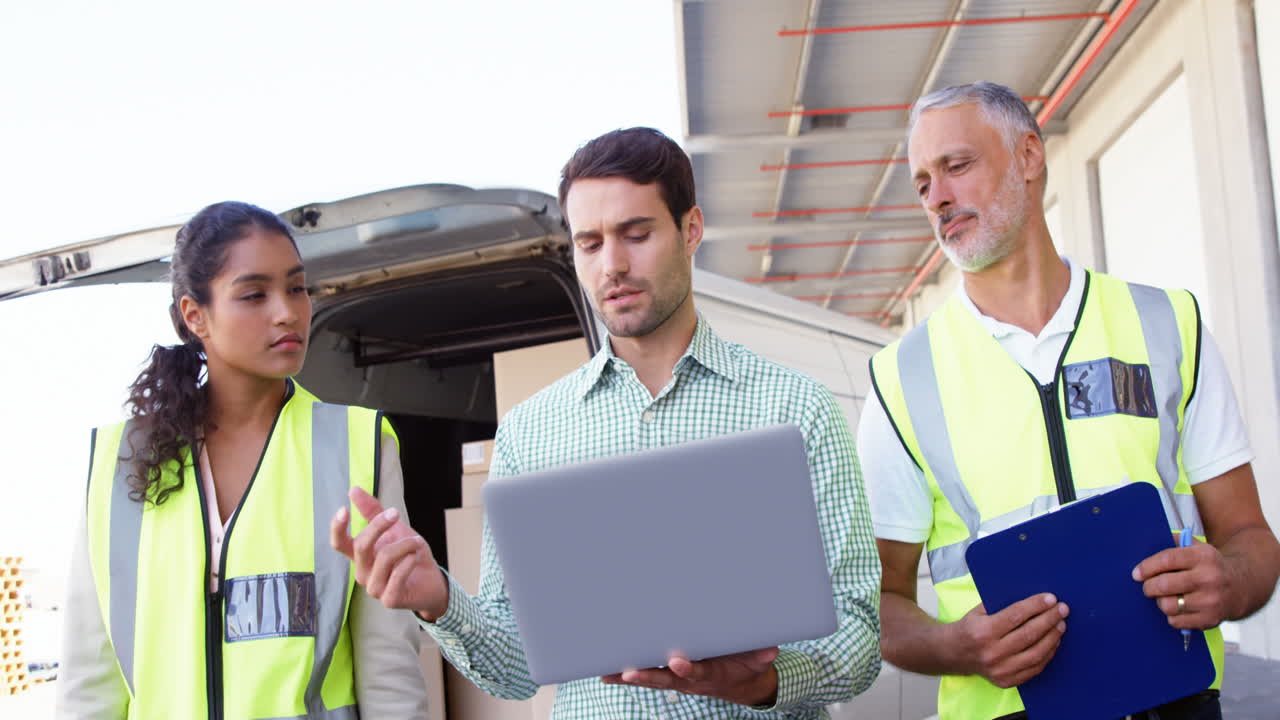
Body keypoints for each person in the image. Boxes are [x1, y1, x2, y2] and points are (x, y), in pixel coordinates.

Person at [330, 127, 883, 718]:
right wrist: (437, 599)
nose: (612, 265)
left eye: (636, 234)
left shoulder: (796, 408)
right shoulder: (531, 433)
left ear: (690, 229)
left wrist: (760, 682)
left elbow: (860, 635)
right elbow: (516, 669)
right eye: (589, 243)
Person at [860, 82, 1280, 720]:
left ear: (1029, 157)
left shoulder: (1169, 325)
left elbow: (1250, 540)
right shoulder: (901, 380)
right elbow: (882, 607)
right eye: (922, 184)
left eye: (957, 166)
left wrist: (1229, 581)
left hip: (1176, 702)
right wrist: (955, 646)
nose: (938, 197)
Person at [57, 201, 430, 719]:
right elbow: (88, 682)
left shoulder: (356, 444)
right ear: (195, 315)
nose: (287, 311)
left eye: (296, 288)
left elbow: (389, 667)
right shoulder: (120, 462)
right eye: (254, 295)